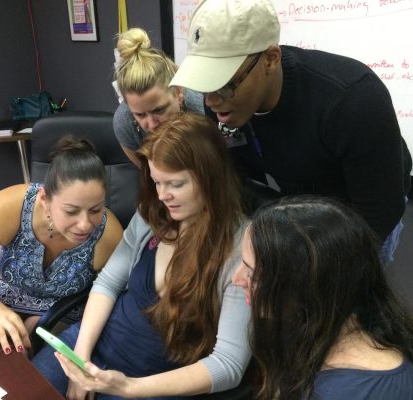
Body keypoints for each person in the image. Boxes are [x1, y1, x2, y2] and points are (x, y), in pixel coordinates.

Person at [170, 0, 412, 264]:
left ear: (270, 59)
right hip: (300, 195)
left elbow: (378, 216)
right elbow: (241, 179)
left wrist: (322, 272)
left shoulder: (353, 99)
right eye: (205, 84)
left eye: (225, 83)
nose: (211, 100)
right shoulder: (222, 105)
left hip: (363, 202)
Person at [32, 112, 251, 399]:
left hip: (151, 384)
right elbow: (108, 283)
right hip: (94, 346)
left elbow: (228, 365)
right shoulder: (154, 216)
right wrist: (81, 361)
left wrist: (126, 387)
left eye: (175, 184)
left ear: (211, 177)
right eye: (157, 182)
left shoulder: (243, 247)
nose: (162, 195)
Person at [0, 135, 123, 355]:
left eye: (95, 209)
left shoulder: (107, 234)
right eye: (71, 211)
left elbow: (116, 300)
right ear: (45, 199)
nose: (84, 224)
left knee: (25, 370)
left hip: (66, 312)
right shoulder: (9, 206)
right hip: (5, 303)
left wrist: (41, 324)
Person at [233, 196, 413, 399]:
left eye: (252, 272)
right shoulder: (318, 329)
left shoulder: (348, 391)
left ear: (303, 285)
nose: (236, 279)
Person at [113, 27, 204, 168]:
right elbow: (152, 177)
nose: (152, 124)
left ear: (178, 93)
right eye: (140, 115)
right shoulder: (124, 122)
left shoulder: (202, 110)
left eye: (159, 110)